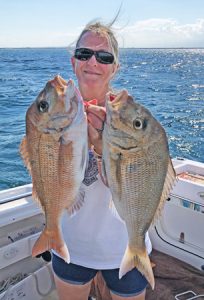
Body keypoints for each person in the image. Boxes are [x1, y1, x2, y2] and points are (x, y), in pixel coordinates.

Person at [52, 20, 152, 300]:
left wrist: (100, 146)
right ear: (74, 62)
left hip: (125, 246)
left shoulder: (131, 121)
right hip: (70, 243)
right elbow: (46, 175)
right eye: (85, 54)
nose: (93, 62)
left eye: (104, 56)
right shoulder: (52, 117)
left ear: (114, 67)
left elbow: (134, 186)